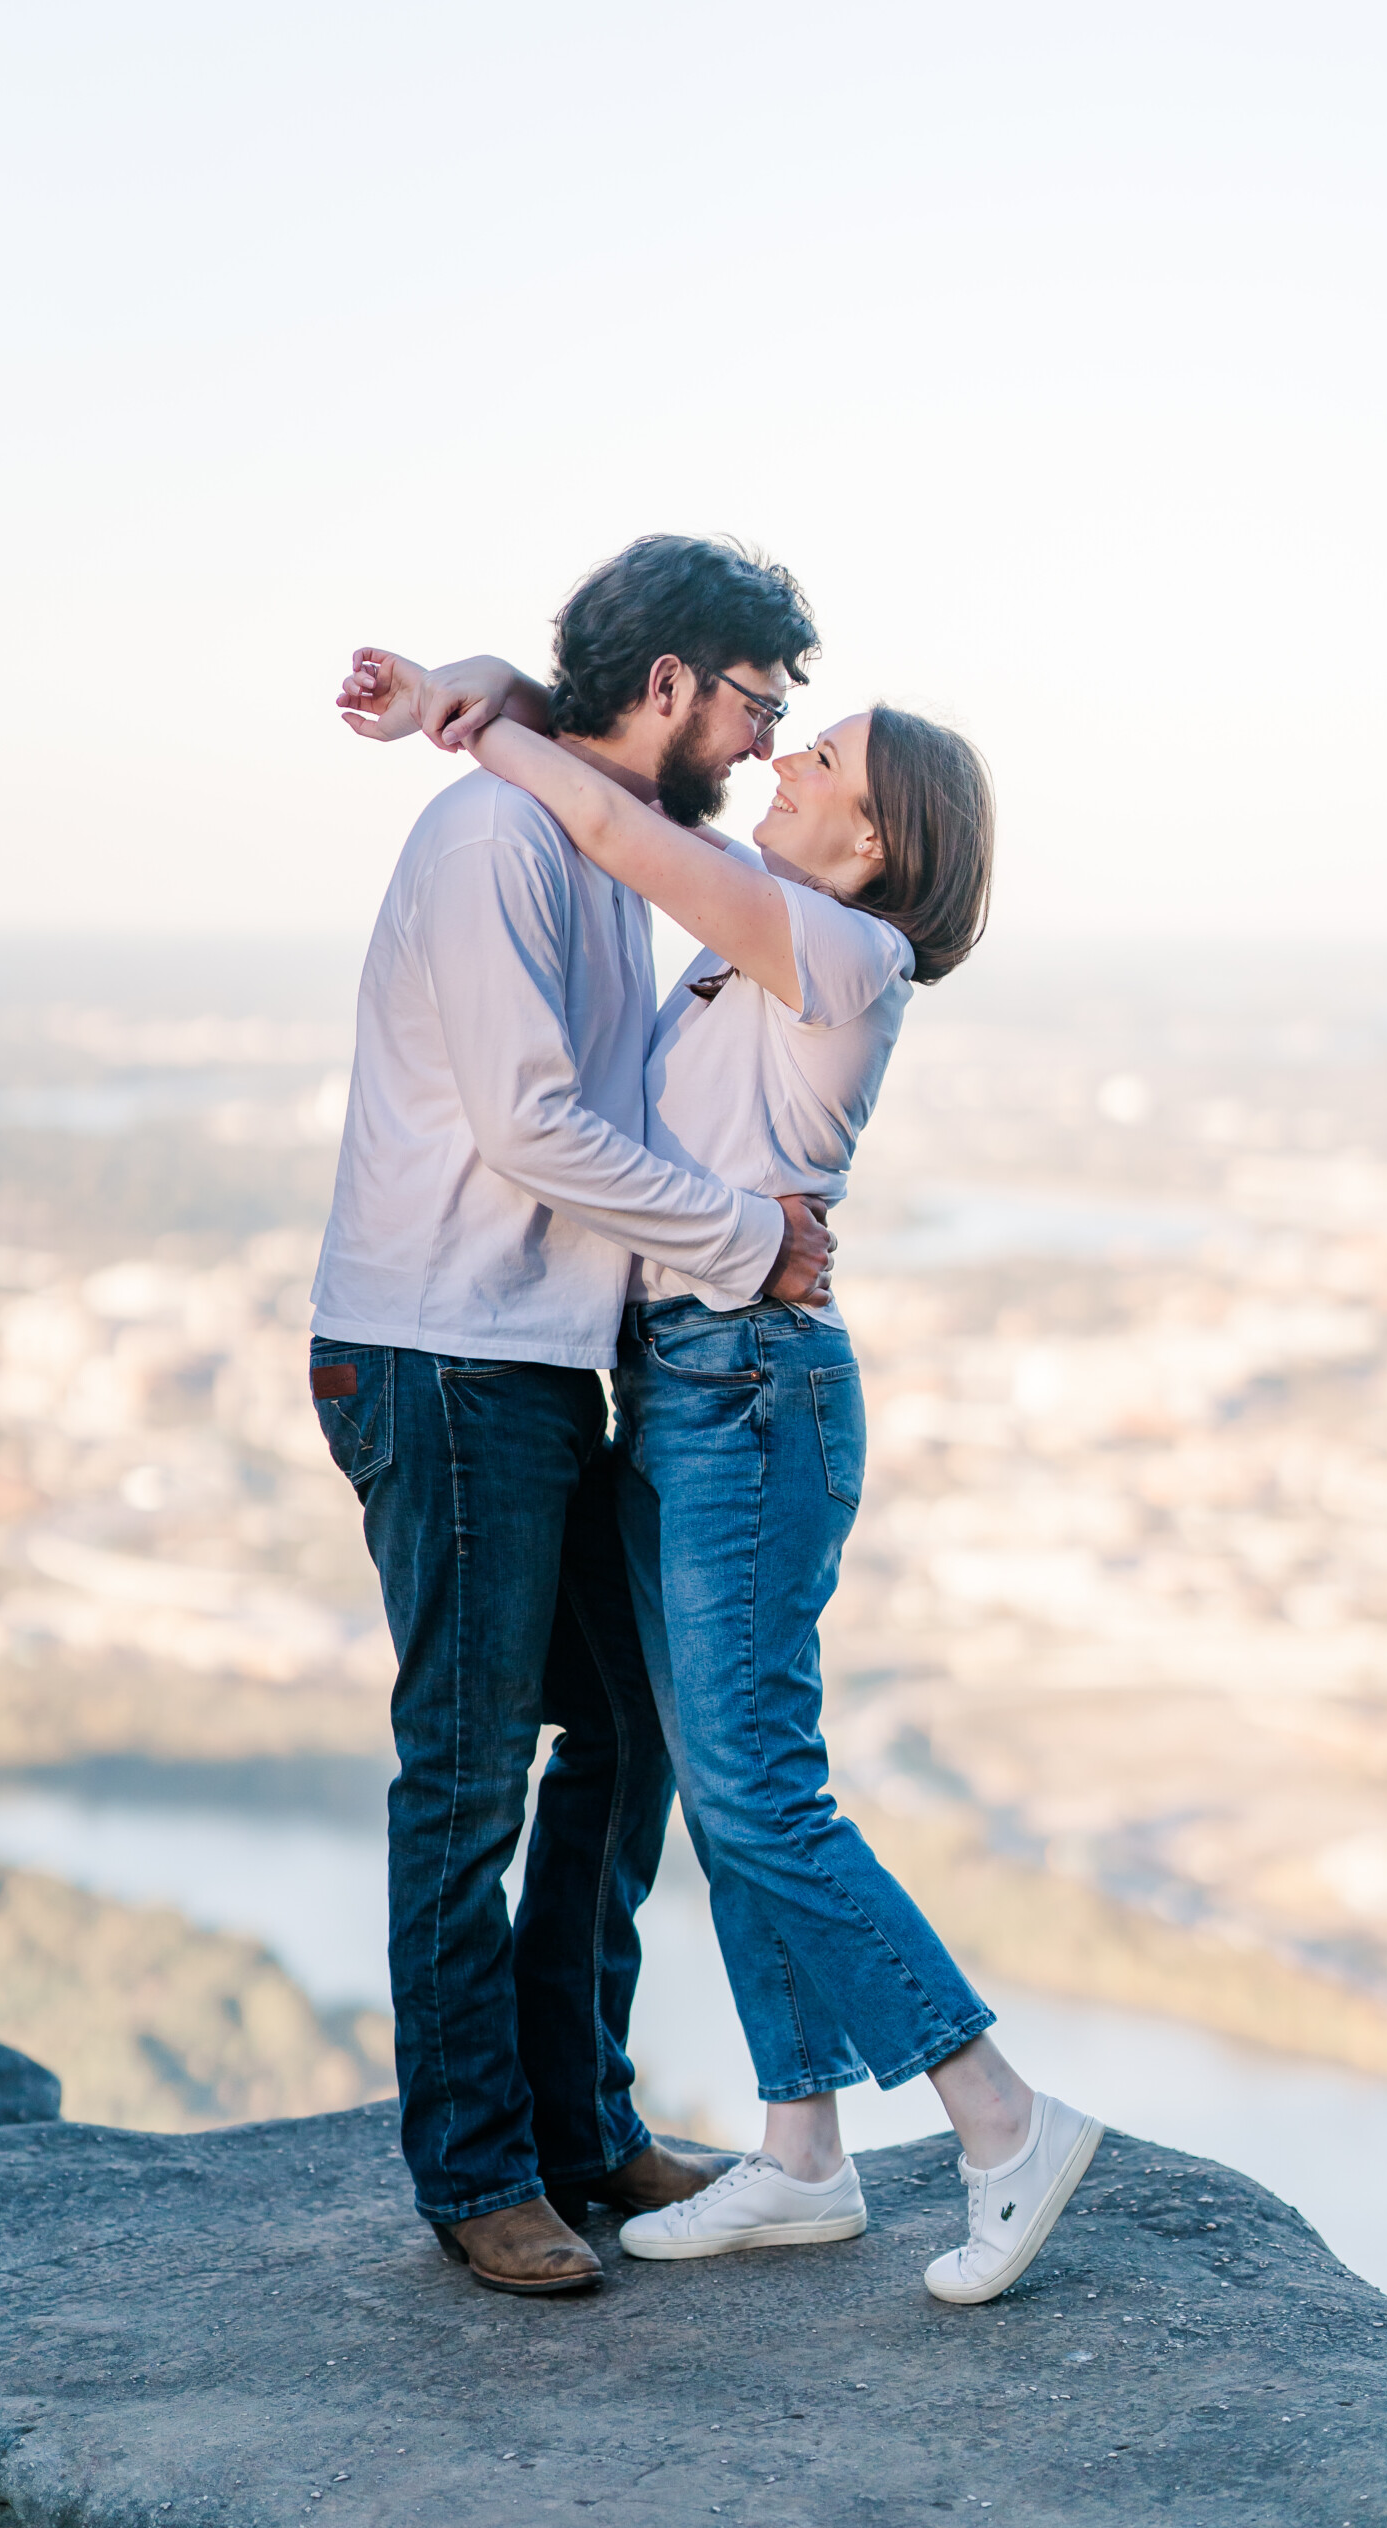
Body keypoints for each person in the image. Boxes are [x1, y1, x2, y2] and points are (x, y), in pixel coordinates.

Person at [342, 638, 1103, 2308]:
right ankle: (803, 2155)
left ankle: (999, 2117)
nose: (780, 769)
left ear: (879, 836)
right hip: (672, 1380)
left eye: (816, 759)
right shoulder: (759, 955)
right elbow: (633, 772)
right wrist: (505, 693)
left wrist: (477, 729)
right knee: (701, 1762)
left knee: (759, 1787)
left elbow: (622, 830)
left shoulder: (837, 947)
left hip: (748, 1393)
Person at [313, 536, 836, 2298]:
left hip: (538, 1357)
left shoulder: (606, 851)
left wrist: (502, 699)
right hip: (442, 1354)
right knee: (465, 1778)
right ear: (675, 682)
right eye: (760, 703)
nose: (769, 746)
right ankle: (477, 2172)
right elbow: (535, 1126)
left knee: (630, 1737)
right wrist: (753, 1245)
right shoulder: (492, 846)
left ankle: (578, 2121)